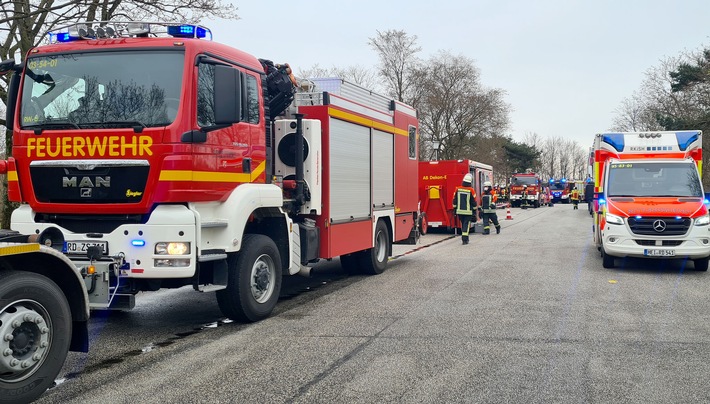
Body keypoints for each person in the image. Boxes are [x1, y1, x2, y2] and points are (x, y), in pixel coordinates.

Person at [452, 173, 477, 245]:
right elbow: (474, 202)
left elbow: (454, 200)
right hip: (468, 212)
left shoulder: (457, 189)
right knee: (466, 225)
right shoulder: (471, 190)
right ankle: (465, 239)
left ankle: (465, 238)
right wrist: (474, 211)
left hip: (459, 211)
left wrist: (454, 209)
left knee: (463, 224)